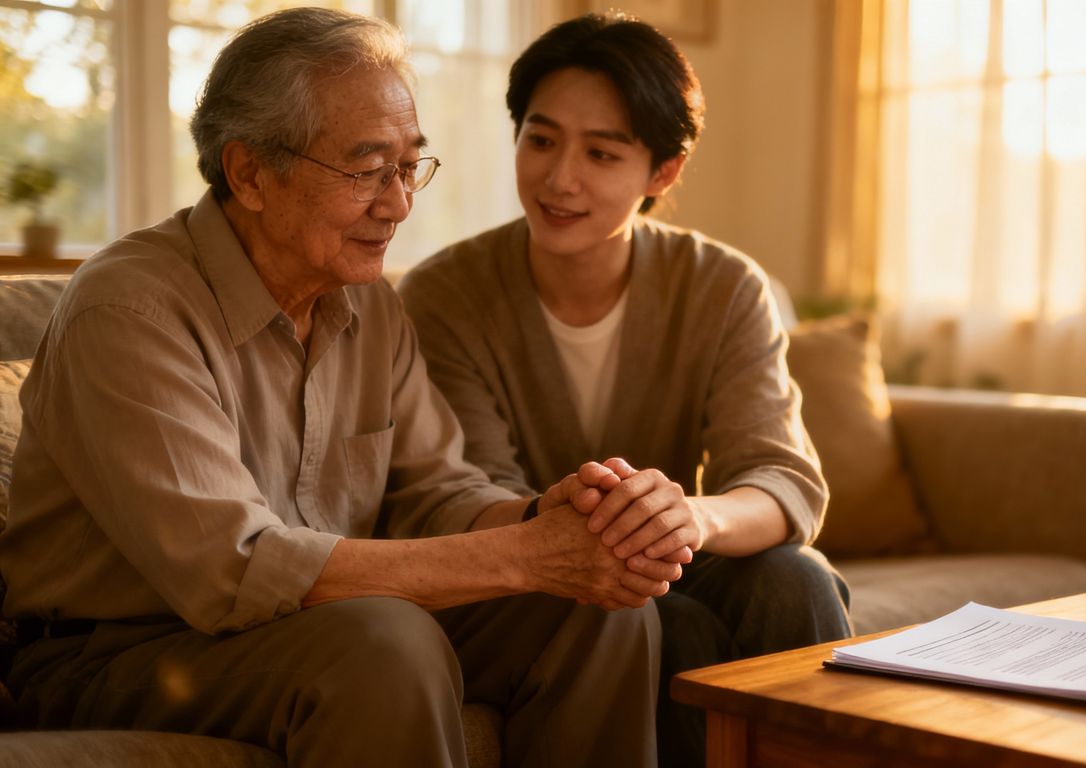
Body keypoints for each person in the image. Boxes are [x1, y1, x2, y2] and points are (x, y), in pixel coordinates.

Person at [0, 8, 676, 768]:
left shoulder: (370, 304)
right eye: (366, 170)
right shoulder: (129, 309)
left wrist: (549, 520)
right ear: (250, 173)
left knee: (597, 610)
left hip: (316, 624)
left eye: (408, 166)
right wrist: (527, 555)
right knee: (386, 642)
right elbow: (233, 566)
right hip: (119, 650)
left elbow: (435, 493)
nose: (398, 204)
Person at [398, 12, 852, 766]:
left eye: (601, 153)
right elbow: (469, 494)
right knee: (677, 626)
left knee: (793, 581)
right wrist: (596, 528)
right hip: (532, 581)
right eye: (541, 140)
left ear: (663, 172)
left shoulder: (723, 287)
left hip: (678, 551)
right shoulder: (445, 295)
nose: (559, 179)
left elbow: (782, 481)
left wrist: (689, 517)